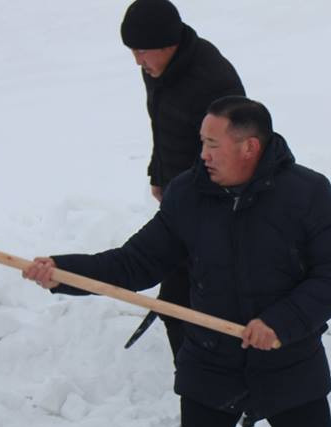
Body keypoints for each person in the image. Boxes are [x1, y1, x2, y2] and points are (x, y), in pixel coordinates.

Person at [23, 97, 331, 427]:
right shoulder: (189, 194)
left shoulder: (307, 193)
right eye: (202, 142)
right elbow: (135, 262)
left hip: (290, 363)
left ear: (250, 147)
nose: (203, 155)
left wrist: (281, 323)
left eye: (212, 145)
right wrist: (64, 272)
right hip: (210, 364)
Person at [120, 0, 245, 360]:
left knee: (191, 302)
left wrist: (205, 211)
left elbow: (236, 157)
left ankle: (215, 385)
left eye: (141, 51)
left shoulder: (213, 82)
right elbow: (165, 128)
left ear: (167, 43)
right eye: (132, 51)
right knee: (178, 301)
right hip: (182, 199)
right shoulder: (159, 71)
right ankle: (199, 380)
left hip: (214, 207)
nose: (137, 61)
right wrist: (158, 174)